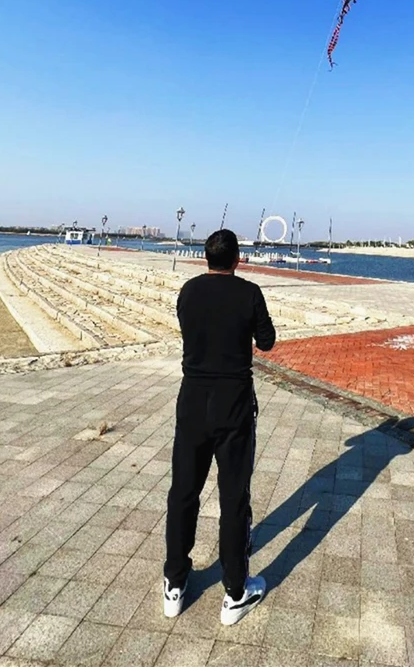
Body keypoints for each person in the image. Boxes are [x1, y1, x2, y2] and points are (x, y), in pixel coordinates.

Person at [163, 229, 276, 624]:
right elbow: (267, 342)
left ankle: (174, 583)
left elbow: (190, 331)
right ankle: (235, 591)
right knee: (233, 498)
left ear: (207, 257)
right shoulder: (249, 293)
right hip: (233, 405)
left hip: (192, 400)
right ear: (237, 258)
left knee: (183, 492)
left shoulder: (188, 292)